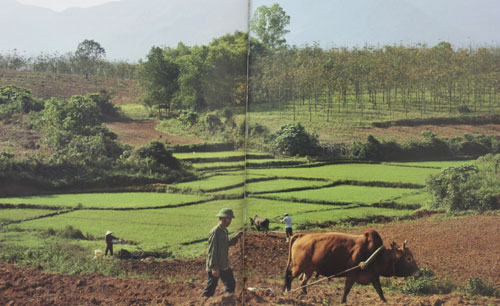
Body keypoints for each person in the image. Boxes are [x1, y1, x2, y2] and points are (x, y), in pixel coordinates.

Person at [201, 208, 242, 298]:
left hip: (223, 265)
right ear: (223, 218)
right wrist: (214, 267)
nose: (230, 221)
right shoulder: (215, 231)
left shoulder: (224, 231)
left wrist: (236, 237)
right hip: (216, 266)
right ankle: (202, 302)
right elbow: (212, 250)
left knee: (231, 284)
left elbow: (226, 244)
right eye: (229, 218)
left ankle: (225, 301)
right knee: (210, 289)